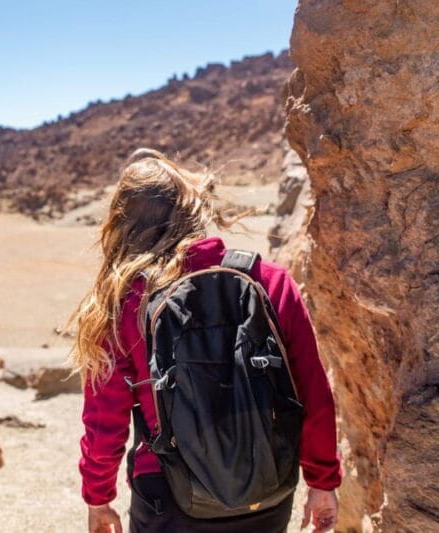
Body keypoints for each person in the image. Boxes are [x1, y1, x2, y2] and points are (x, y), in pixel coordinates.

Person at [68, 149, 341, 532]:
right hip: (265, 486)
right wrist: (322, 482)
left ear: (121, 221)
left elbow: (105, 419)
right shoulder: (269, 280)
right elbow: (312, 392)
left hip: (169, 494)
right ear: (193, 209)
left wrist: (98, 498)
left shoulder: (124, 301)